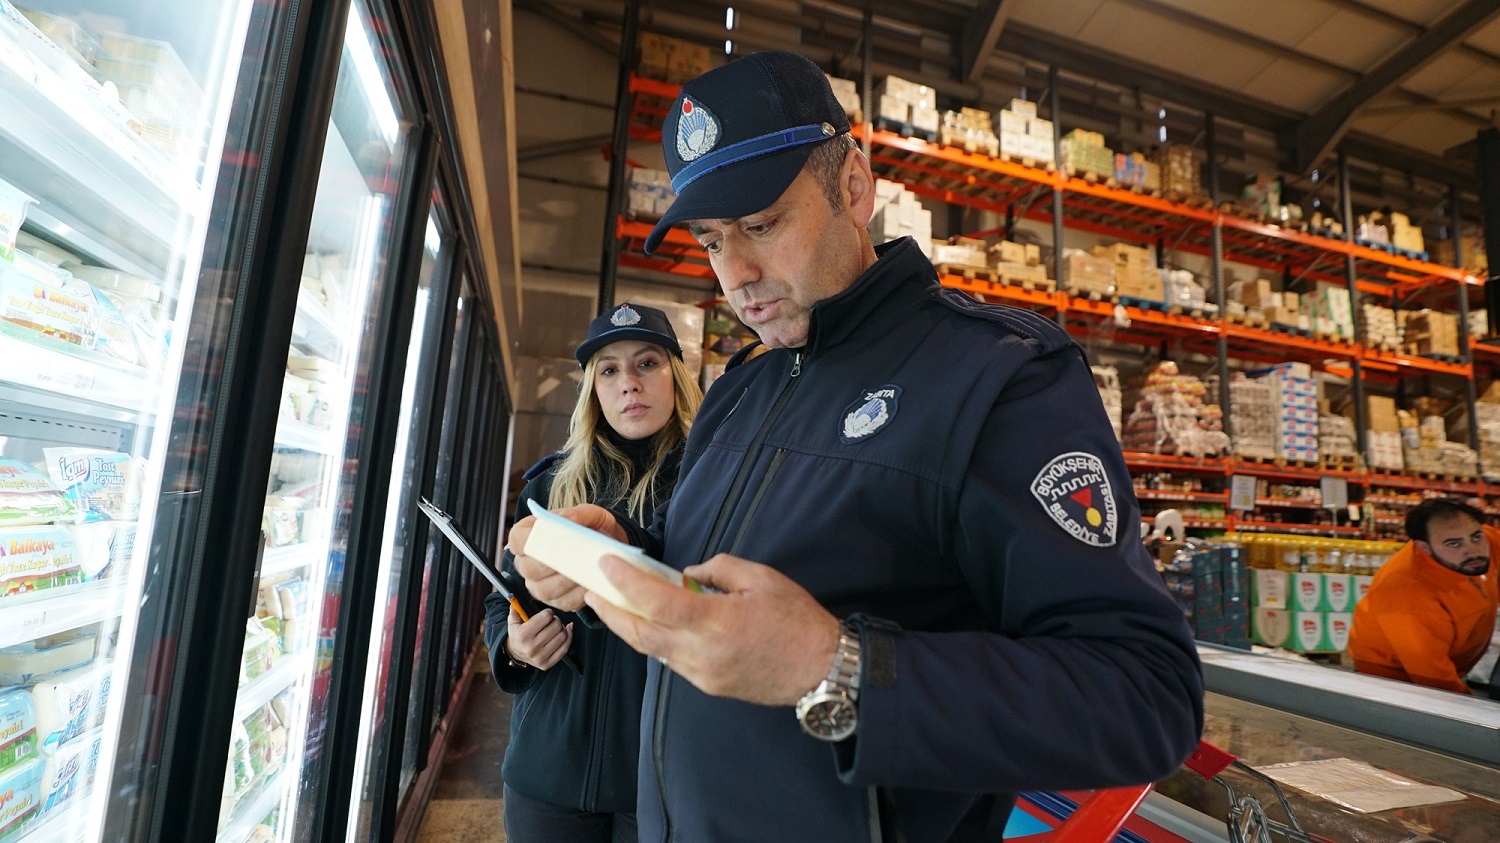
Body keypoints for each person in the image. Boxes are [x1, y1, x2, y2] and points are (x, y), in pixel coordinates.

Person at [509, 51, 1203, 841]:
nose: (735, 274)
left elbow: (1146, 696)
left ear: (854, 189)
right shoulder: (742, 386)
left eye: (761, 225)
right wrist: (625, 552)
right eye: (709, 240)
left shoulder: (996, 379)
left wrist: (835, 666)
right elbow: (720, 572)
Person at [482, 302, 701, 842]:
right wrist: (512, 645)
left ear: (675, 375)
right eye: (609, 369)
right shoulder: (549, 488)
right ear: (593, 391)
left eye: (646, 363)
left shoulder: (709, 482)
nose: (628, 382)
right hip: (546, 772)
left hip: (659, 779)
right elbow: (503, 597)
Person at [1349, 498, 1500, 695]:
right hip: (1393, 681)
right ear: (1424, 547)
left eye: (1476, 537)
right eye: (1454, 544)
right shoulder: (1408, 594)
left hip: (1453, 662)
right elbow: (1435, 680)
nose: (1472, 550)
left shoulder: (1480, 542)